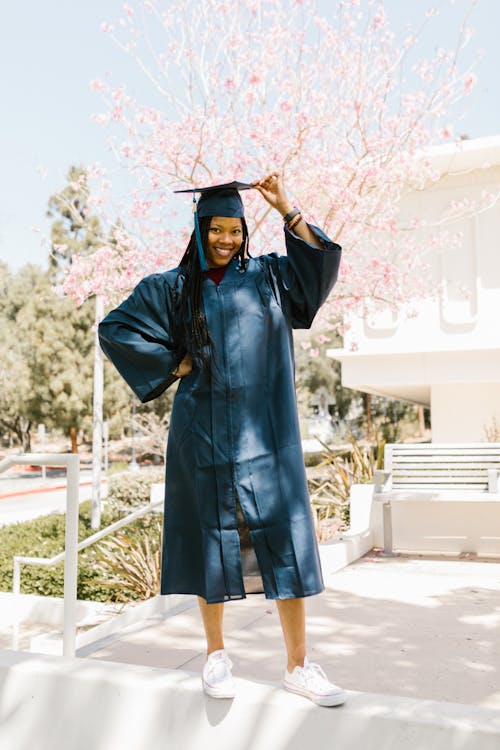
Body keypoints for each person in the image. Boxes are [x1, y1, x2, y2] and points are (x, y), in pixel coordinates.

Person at [98, 172, 345, 707]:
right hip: (203, 433)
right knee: (211, 542)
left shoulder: (270, 279)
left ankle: (299, 666)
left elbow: (316, 272)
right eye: (217, 229)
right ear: (201, 227)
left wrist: (287, 209)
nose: (227, 239)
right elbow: (116, 329)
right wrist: (172, 362)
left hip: (268, 436)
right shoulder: (172, 287)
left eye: (235, 229)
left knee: (287, 544)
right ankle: (215, 656)